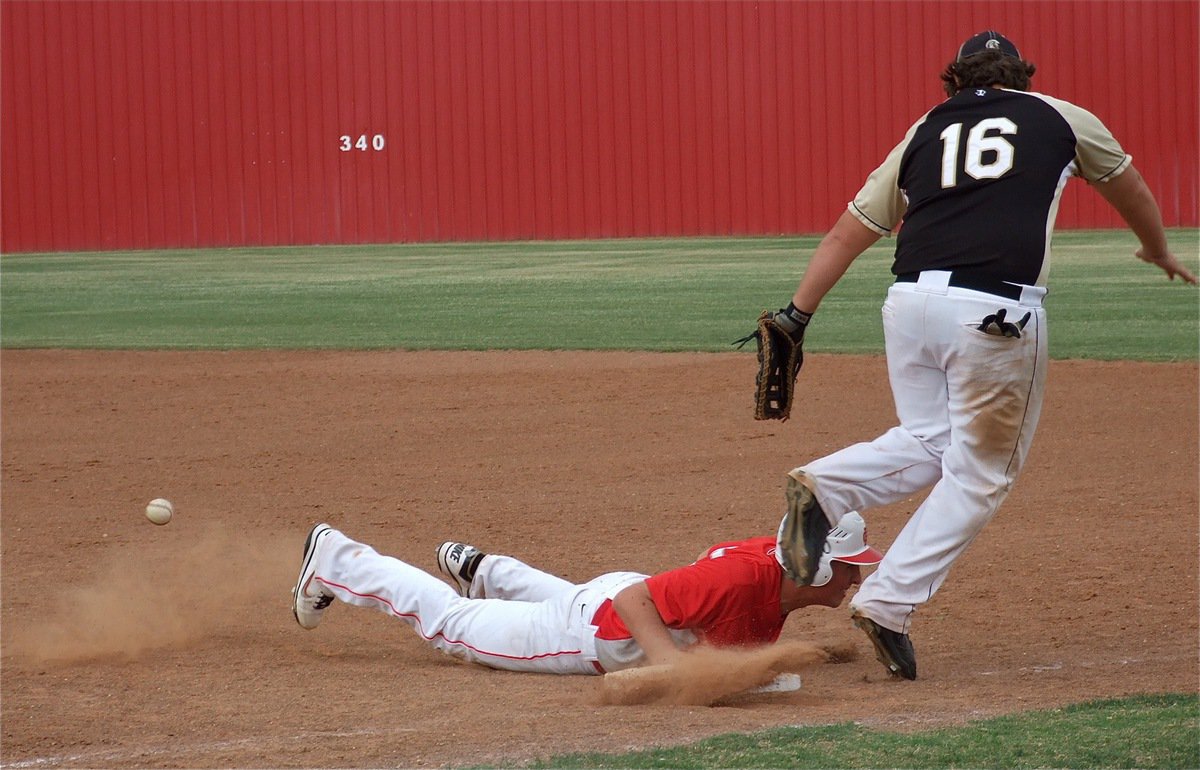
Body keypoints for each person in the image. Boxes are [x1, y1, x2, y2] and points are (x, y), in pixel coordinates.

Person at [766, 30, 1198, 680]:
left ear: (954, 81)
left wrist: (798, 312)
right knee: (980, 473)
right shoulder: (1058, 116)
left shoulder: (926, 127)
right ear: (1021, 75)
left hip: (909, 301)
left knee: (931, 439)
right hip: (993, 310)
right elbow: (1127, 183)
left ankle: (826, 486)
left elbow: (847, 229)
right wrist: (1157, 248)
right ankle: (887, 603)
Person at [290, 512, 883, 674]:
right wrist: (671, 664)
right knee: (451, 625)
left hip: (612, 600)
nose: (857, 577)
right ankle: (340, 559)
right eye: (849, 567)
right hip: (591, 628)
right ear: (813, 568)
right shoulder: (744, 578)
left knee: (579, 599)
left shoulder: (778, 565)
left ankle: (488, 570)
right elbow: (636, 605)